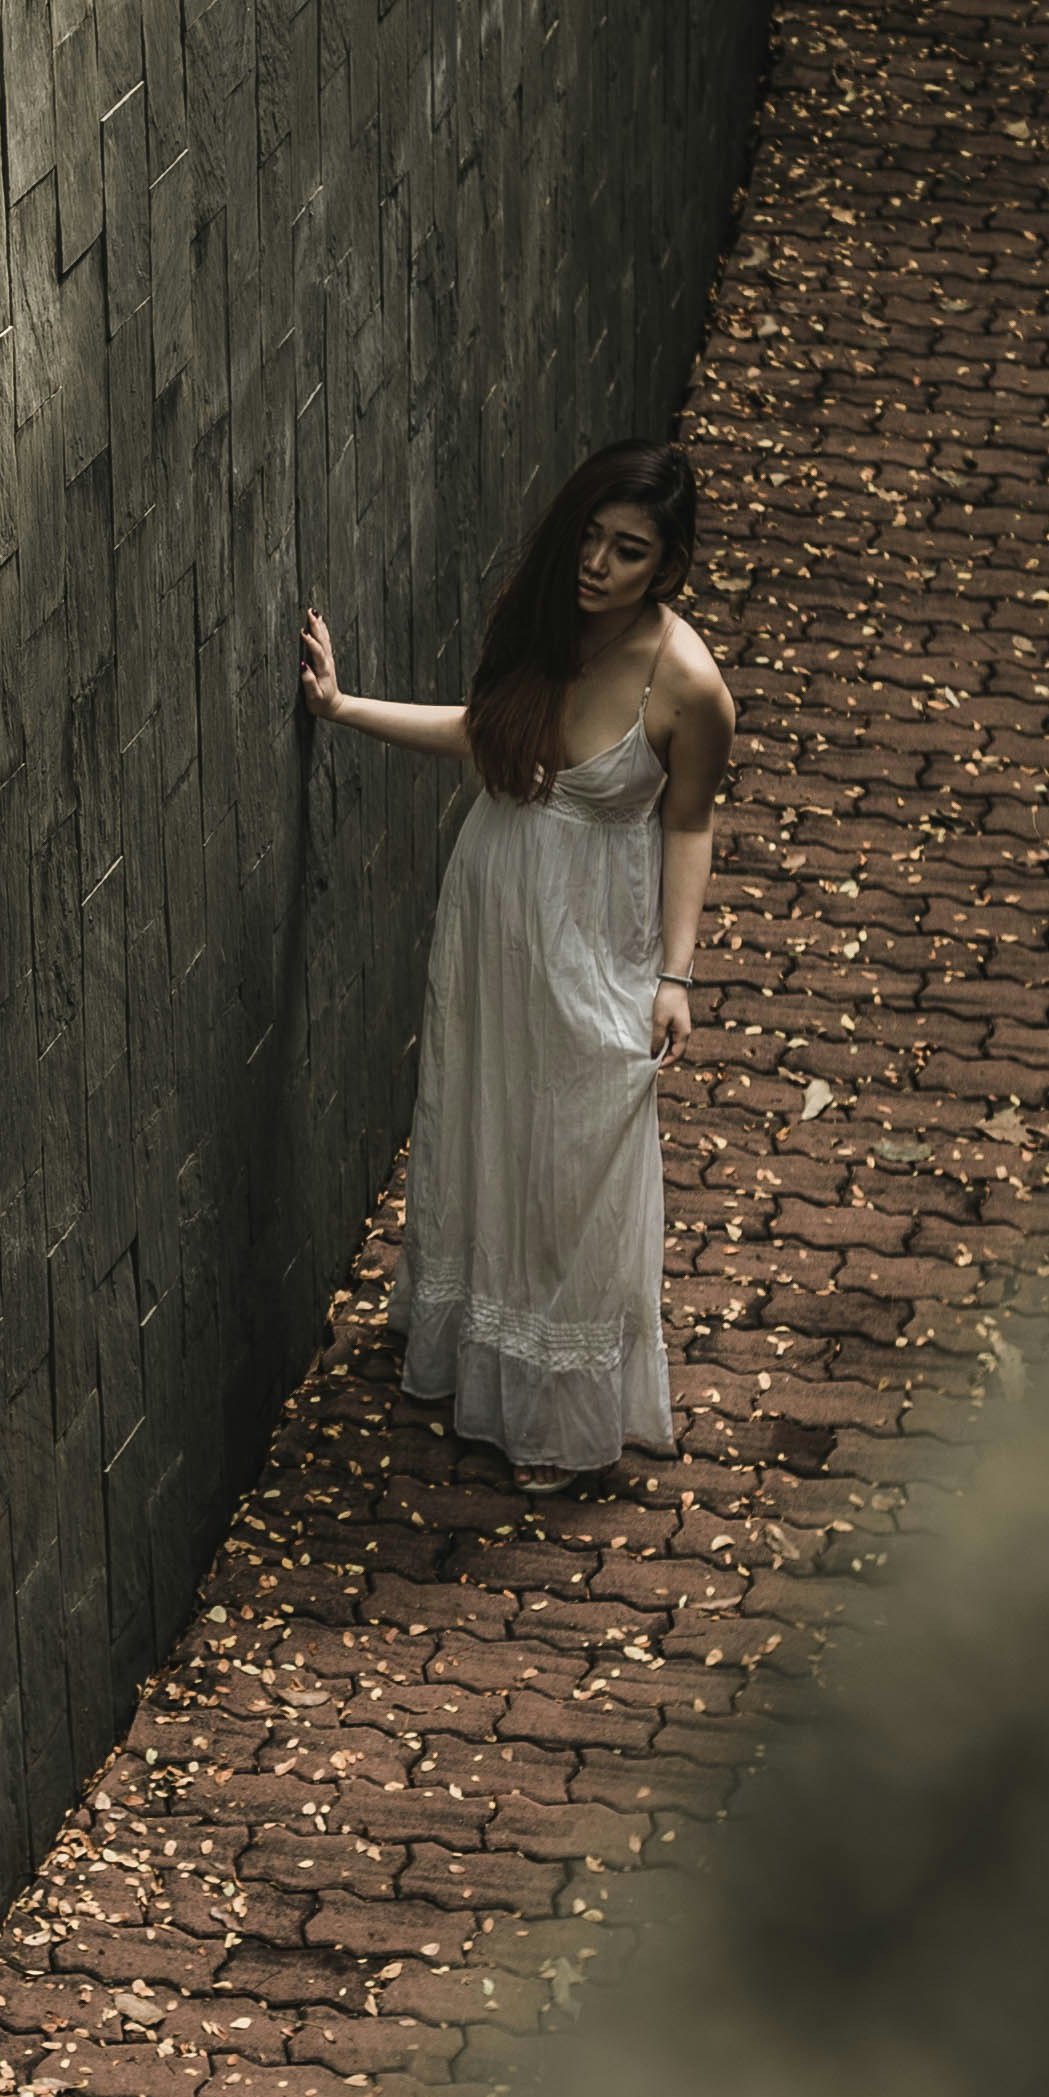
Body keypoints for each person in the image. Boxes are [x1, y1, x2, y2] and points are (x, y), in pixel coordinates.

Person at [298, 440, 737, 1495]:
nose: (596, 563)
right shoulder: (547, 624)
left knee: (576, 1159)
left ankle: (557, 1407)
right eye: (590, 536)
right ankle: (471, 1352)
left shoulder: (689, 685)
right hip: (492, 913)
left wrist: (675, 977)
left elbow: (689, 823)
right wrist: (344, 709)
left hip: (594, 935)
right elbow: (488, 737)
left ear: (669, 566)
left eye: (627, 550)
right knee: (487, 1119)